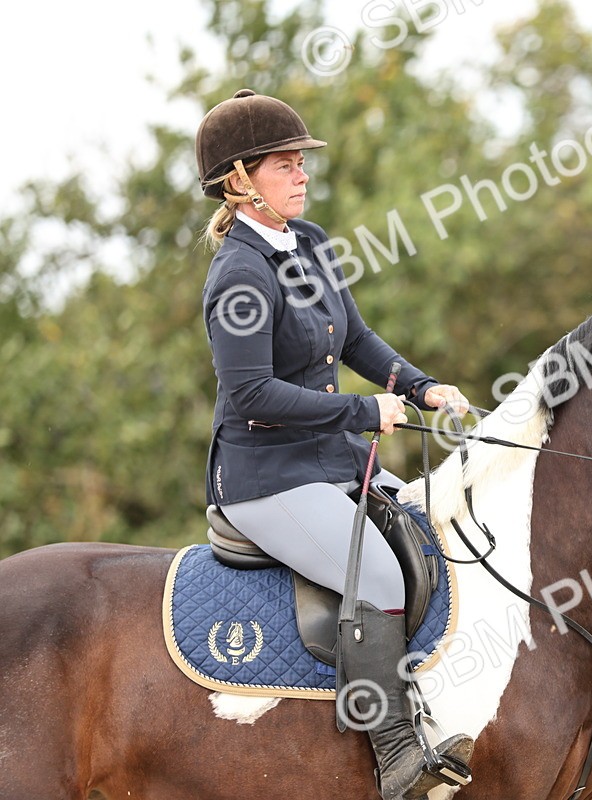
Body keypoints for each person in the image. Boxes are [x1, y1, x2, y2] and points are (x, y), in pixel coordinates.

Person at [195, 88, 473, 798]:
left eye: (301, 162)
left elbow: (354, 338)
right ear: (240, 180)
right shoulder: (238, 277)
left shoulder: (311, 242)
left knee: (429, 532)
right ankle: (396, 755)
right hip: (266, 478)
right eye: (285, 165)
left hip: (328, 460)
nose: (302, 174)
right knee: (376, 578)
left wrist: (419, 387)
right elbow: (252, 395)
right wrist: (362, 411)